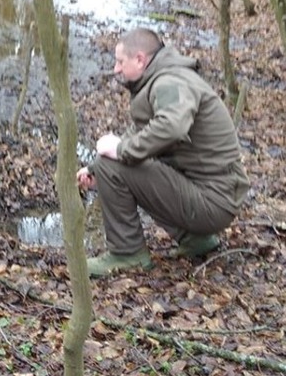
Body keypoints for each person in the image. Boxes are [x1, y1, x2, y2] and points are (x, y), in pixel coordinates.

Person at [77, 27, 249, 277]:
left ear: (140, 59)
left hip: (213, 201)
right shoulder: (163, 79)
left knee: (113, 164)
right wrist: (94, 170)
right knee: (114, 164)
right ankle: (195, 239)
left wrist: (119, 152)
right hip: (214, 197)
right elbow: (144, 135)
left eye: (120, 61)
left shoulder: (170, 82)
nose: (115, 69)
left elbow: (172, 126)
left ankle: (128, 254)